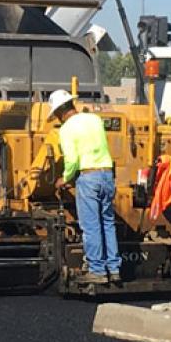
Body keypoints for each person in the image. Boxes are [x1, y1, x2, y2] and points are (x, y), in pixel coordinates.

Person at [49, 89, 121, 285]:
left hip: (88, 177)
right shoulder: (95, 120)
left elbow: (71, 159)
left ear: (59, 112)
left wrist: (64, 178)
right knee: (108, 223)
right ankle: (114, 269)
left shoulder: (66, 129)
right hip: (107, 174)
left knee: (91, 226)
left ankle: (97, 270)